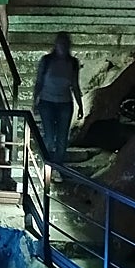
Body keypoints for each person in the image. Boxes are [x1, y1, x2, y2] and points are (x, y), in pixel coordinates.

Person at [32, 31, 84, 168]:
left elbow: (75, 85)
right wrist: (35, 101)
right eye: (60, 44)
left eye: (65, 44)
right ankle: (46, 164)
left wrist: (80, 105)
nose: (63, 47)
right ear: (56, 45)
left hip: (65, 104)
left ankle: (58, 166)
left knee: (62, 138)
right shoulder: (47, 61)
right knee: (49, 137)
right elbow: (39, 82)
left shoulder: (73, 63)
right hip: (47, 102)